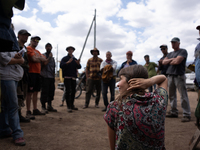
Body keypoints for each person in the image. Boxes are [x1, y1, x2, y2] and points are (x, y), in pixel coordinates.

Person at [104, 65, 168, 150]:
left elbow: (113, 146)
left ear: (132, 81)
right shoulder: (159, 100)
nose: (118, 84)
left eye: (120, 79)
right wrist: (149, 81)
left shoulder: (116, 106)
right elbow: (163, 78)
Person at [0, 47, 26, 145]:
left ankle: (4, 130)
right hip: (6, 77)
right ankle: (17, 134)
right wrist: (18, 60)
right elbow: (4, 60)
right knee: (13, 105)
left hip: (14, 76)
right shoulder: (3, 42)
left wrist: (17, 58)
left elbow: (22, 60)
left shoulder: (11, 45)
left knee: (6, 105)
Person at [163, 37, 191, 122]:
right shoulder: (170, 54)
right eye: (172, 43)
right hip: (170, 76)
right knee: (171, 95)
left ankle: (187, 114)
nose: (173, 44)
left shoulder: (183, 51)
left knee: (183, 95)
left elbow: (177, 62)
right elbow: (164, 62)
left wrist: (170, 61)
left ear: (179, 43)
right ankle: (173, 112)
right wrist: (172, 59)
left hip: (179, 76)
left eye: (174, 42)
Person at [26, 36, 48, 118]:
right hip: (31, 73)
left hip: (37, 73)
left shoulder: (37, 51)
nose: (36, 42)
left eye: (37, 41)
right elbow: (34, 59)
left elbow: (45, 60)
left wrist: (38, 58)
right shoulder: (28, 48)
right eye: (34, 40)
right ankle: (28, 111)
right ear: (31, 41)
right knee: (29, 93)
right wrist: (39, 58)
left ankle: (35, 109)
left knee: (36, 92)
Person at [60, 46, 81, 112]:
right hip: (67, 77)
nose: (70, 50)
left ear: (73, 51)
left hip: (73, 77)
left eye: (71, 49)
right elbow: (61, 66)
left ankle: (72, 105)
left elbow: (79, 67)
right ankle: (68, 106)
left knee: (73, 91)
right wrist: (67, 62)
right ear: (67, 50)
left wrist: (78, 64)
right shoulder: (64, 58)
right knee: (68, 91)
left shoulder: (75, 59)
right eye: (69, 49)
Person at [17, 29, 31, 123]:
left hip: (24, 73)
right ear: (18, 35)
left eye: (27, 35)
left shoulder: (25, 47)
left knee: (23, 94)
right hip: (16, 72)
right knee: (17, 94)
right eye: (24, 35)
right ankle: (16, 116)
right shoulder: (15, 45)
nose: (26, 37)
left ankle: (19, 114)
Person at [40, 43, 57, 113]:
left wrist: (54, 77)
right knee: (44, 92)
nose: (48, 48)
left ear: (51, 48)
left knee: (51, 92)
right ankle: (43, 106)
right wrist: (49, 57)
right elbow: (44, 63)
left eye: (50, 46)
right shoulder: (43, 55)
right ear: (45, 48)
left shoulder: (53, 58)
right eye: (47, 46)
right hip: (44, 77)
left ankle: (49, 106)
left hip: (51, 77)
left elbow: (53, 68)